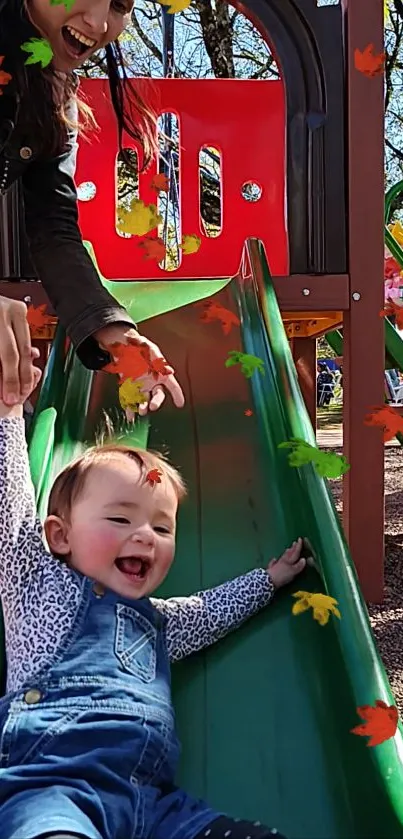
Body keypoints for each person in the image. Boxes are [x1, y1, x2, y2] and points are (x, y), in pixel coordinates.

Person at [0, 343, 308, 839]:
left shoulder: (158, 621)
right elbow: (10, 505)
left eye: (162, 529)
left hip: (151, 800)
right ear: (59, 535)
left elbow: (209, 612)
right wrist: (9, 410)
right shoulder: (36, 581)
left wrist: (267, 581)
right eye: (120, 518)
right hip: (53, 782)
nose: (144, 535)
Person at [0, 0, 184, 415]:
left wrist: (113, 330)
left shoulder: (51, 98)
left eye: (119, 5)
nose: (99, 23)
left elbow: (54, 229)